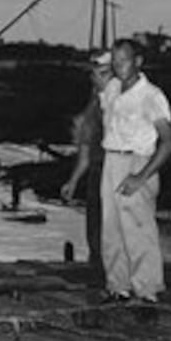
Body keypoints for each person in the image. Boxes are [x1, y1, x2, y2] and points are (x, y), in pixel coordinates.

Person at [99, 38, 171, 302]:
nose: (119, 66)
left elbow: (169, 142)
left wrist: (141, 176)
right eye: (115, 61)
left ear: (138, 61)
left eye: (125, 60)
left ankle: (147, 292)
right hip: (111, 159)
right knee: (111, 229)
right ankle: (117, 287)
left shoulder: (152, 96)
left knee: (139, 230)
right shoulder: (111, 88)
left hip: (137, 162)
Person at [60, 51, 115, 282]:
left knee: (114, 229)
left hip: (117, 169)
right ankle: (99, 270)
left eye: (103, 73)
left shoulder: (122, 100)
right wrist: (72, 181)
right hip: (97, 171)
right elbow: (85, 147)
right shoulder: (93, 105)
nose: (97, 78)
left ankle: (116, 276)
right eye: (94, 74)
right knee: (95, 227)